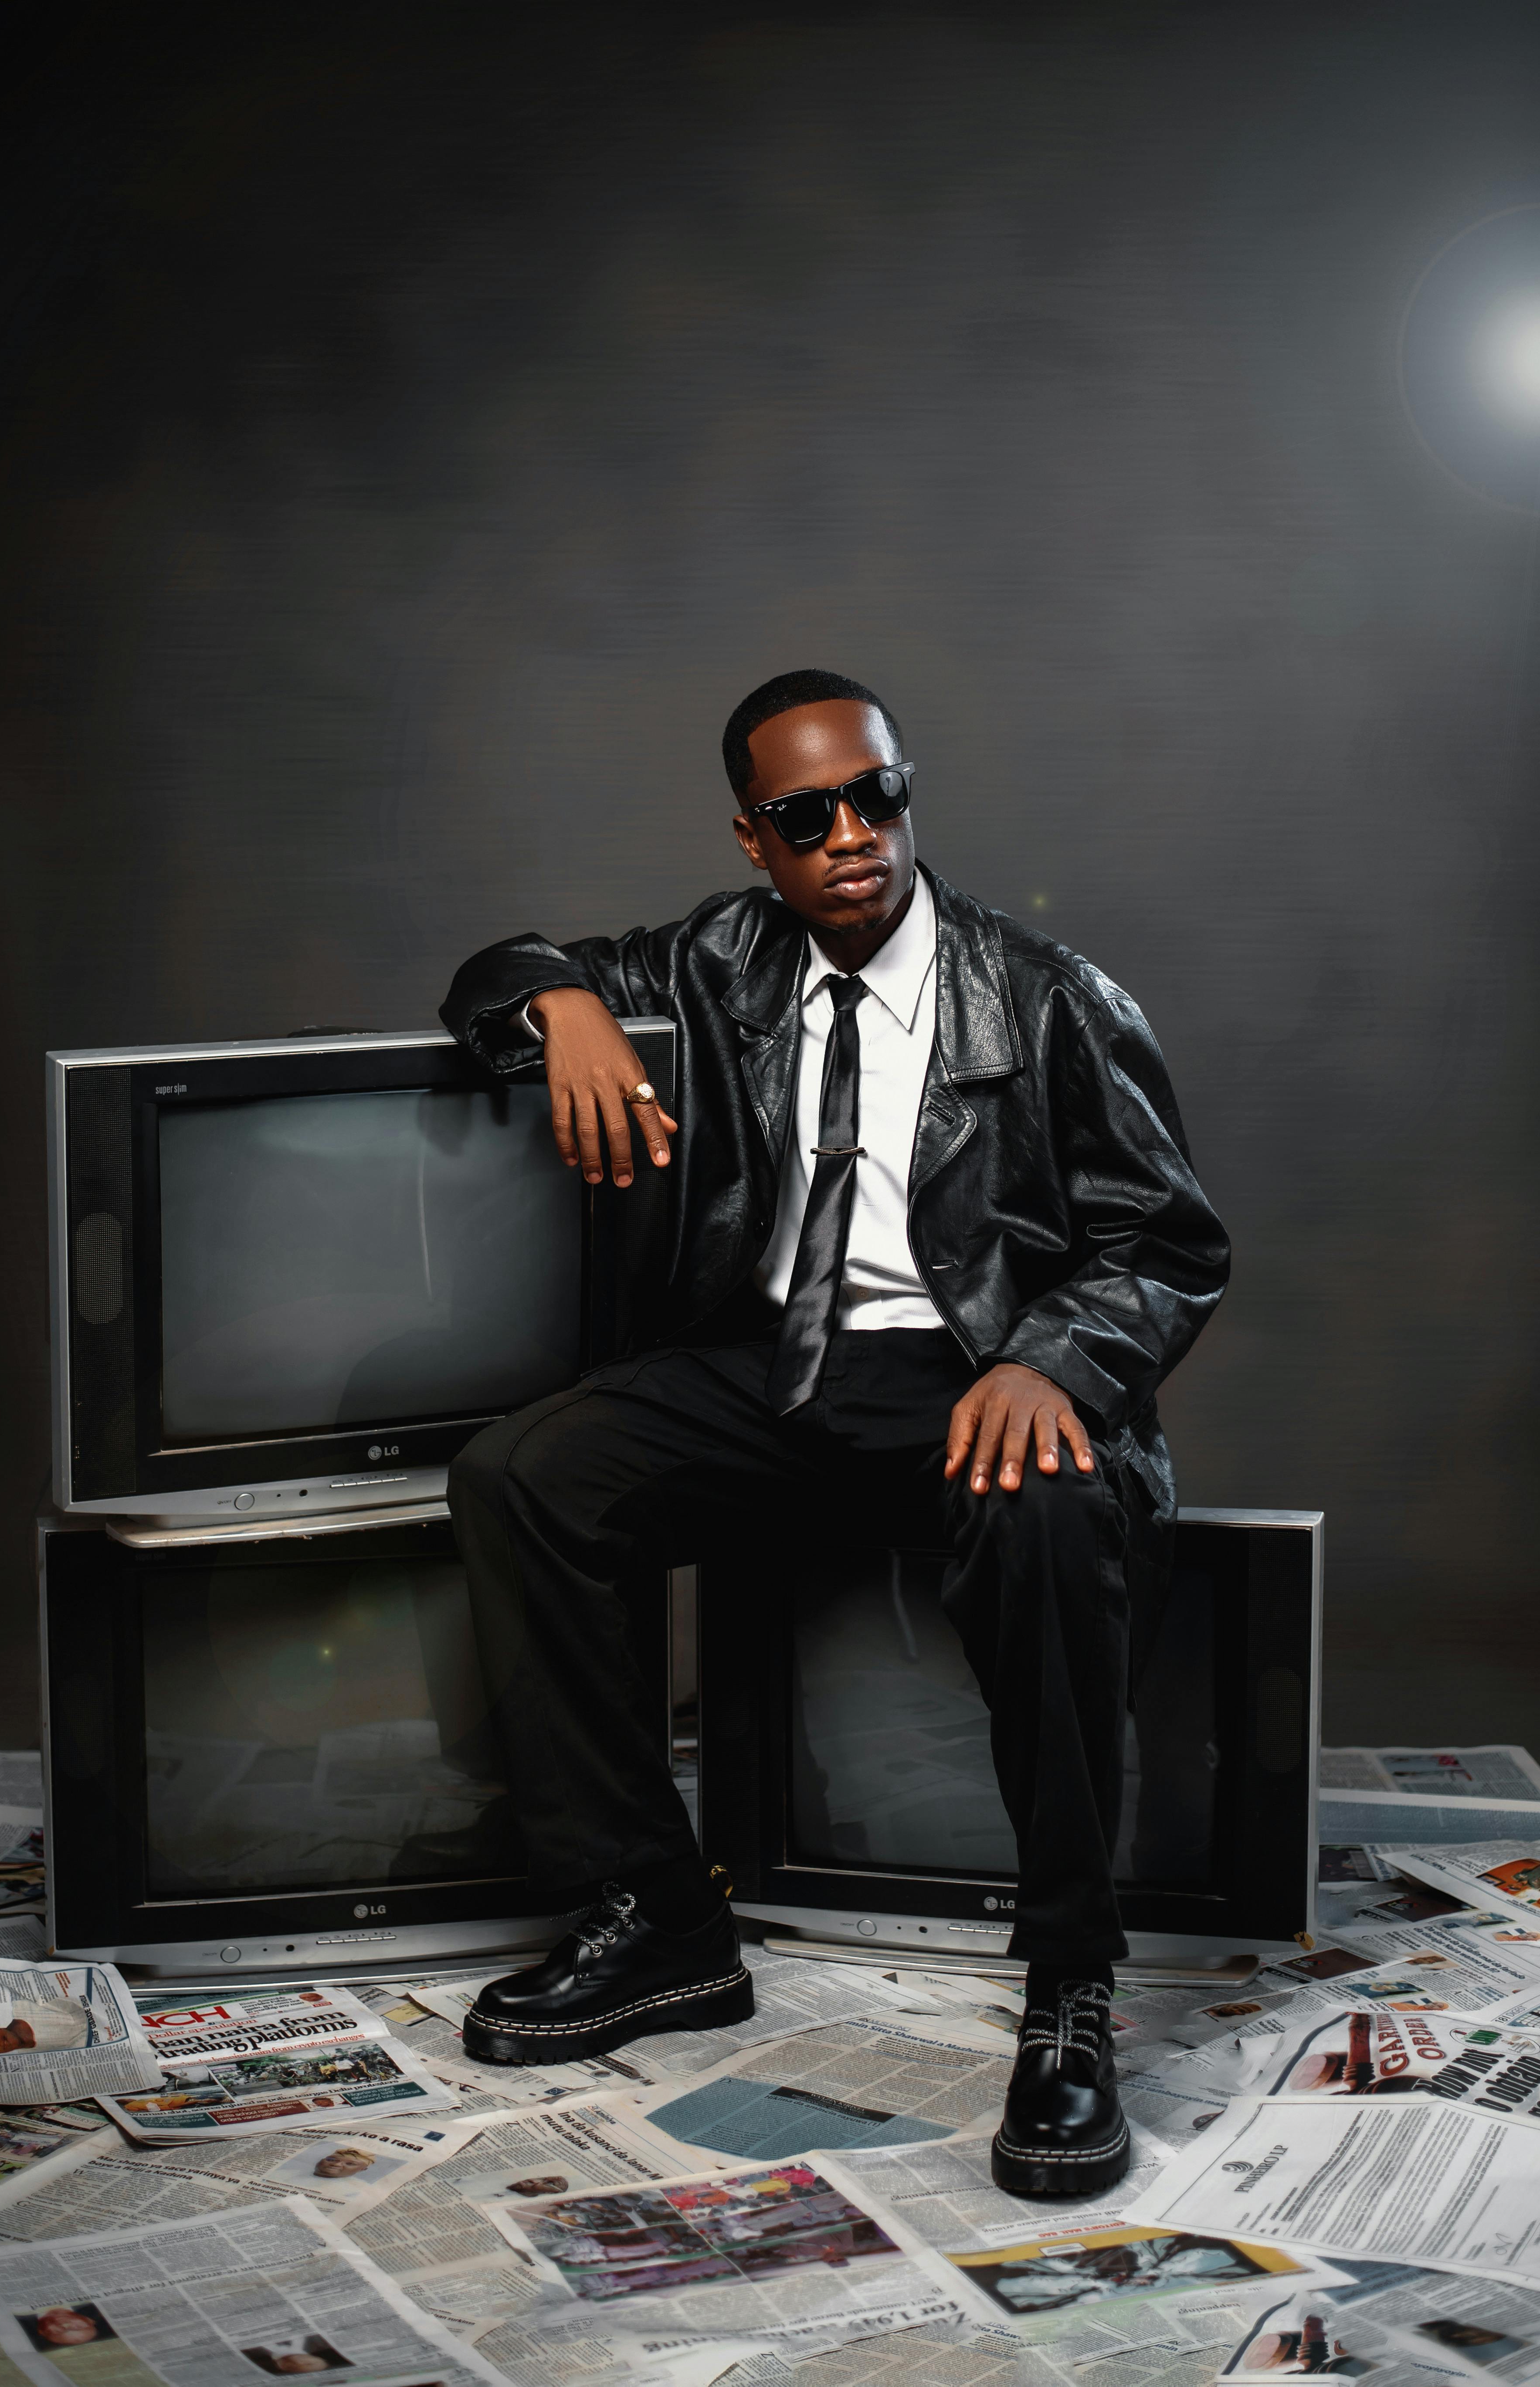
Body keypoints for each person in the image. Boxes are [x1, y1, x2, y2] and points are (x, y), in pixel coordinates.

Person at [439, 668, 1229, 2196]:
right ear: (754, 839)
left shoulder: (1049, 993)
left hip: (979, 1362)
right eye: (810, 816)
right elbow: (496, 966)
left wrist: (1057, 1363)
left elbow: (1170, 1245)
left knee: (1048, 1506)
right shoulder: (711, 963)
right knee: (524, 1476)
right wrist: (564, 1007)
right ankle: (662, 1920)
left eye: (879, 797)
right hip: (779, 1371)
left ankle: (1068, 1987)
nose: (855, 836)